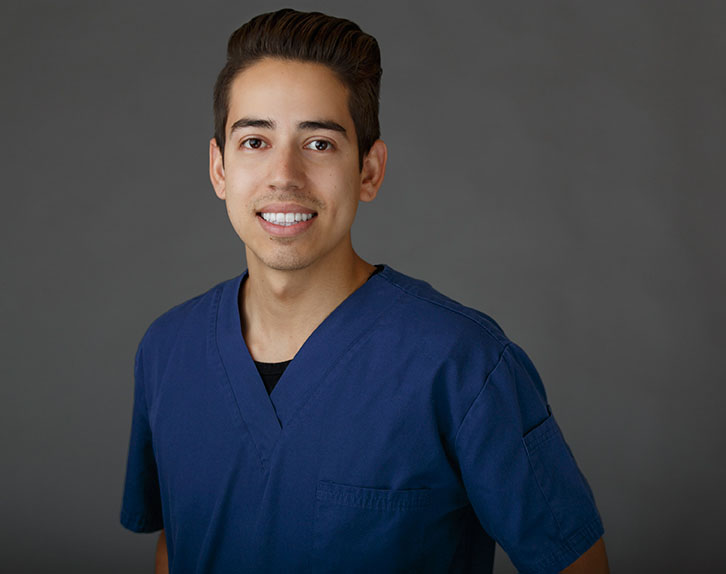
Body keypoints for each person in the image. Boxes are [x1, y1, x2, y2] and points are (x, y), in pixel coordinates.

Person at [120, 8, 608, 573]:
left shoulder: (465, 366)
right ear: (219, 168)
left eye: (319, 144)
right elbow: (175, 548)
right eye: (254, 141)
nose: (284, 175)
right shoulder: (168, 351)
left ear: (369, 171)